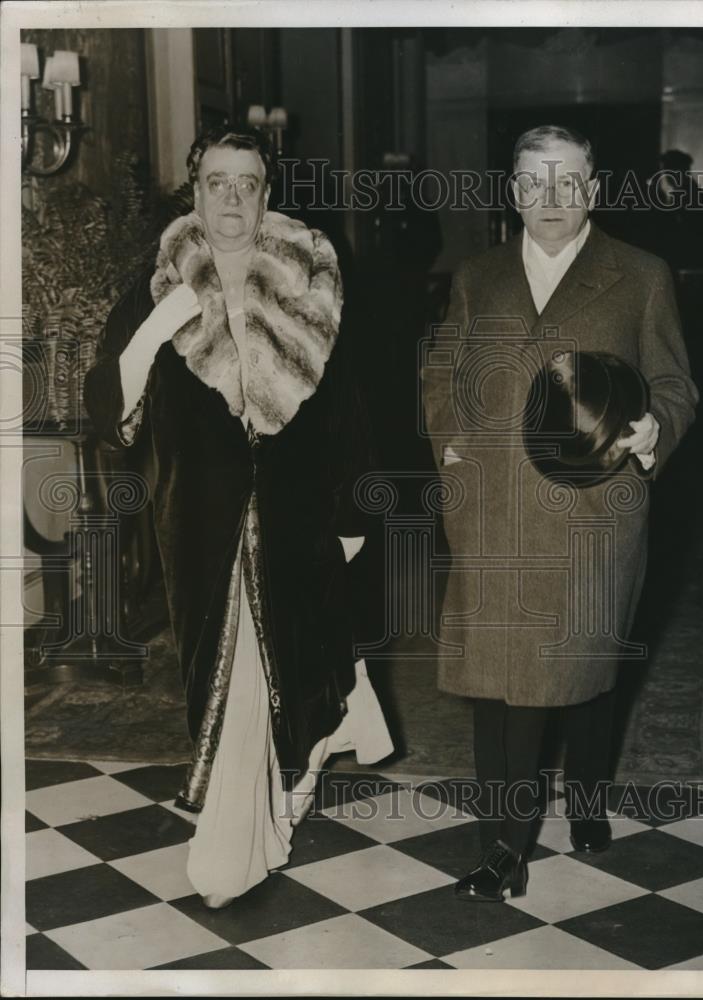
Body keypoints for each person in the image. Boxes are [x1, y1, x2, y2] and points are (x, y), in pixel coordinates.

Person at [84, 126, 392, 908]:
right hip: (198, 525)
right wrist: (157, 330)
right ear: (195, 191)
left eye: (245, 183)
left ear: (265, 192)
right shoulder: (156, 285)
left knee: (303, 665)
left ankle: (284, 794)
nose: (230, 198)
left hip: (299, 519)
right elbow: (108, 399)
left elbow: (352, 405)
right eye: (216, 182)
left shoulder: (312, 280)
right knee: (219, 679)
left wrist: (355, 510)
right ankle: (235, 838)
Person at [421, 124, 698, 901]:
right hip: (495, 515)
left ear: (594, 190)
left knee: (585, 678)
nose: (551, 198)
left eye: (568, 181)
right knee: (501, 687)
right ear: (511, 192)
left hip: (592, 516)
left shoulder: (639, 275)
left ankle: (584, 795)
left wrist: (655, 429)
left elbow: (676, 384)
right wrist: (450, 446)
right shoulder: (477, 276)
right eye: (534, 182)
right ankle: (501, 850)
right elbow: (442, 372)